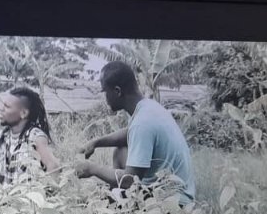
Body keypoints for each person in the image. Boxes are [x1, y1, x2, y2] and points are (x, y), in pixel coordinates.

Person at [75, 61, 195, 203]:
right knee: (120, 150)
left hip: (173, 202)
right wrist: (96, 143)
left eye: (105, 91)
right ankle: (116, 195)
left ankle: (117, 199)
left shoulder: (142, 122)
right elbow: (129, 133)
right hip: (177, 192)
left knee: (97, 205)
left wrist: (92, 169)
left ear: (117, 91)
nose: (105, 98)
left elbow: (130, 180)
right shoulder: (148, 107)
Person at [0, 87, 60, 185]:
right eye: (2, 104)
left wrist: (48, 191)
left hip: (28, 193)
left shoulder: (35, 137)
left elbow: (53, 166)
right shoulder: (1, 137)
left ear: (23, 113)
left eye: (7, 106)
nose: (1, 109)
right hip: (7, 193)